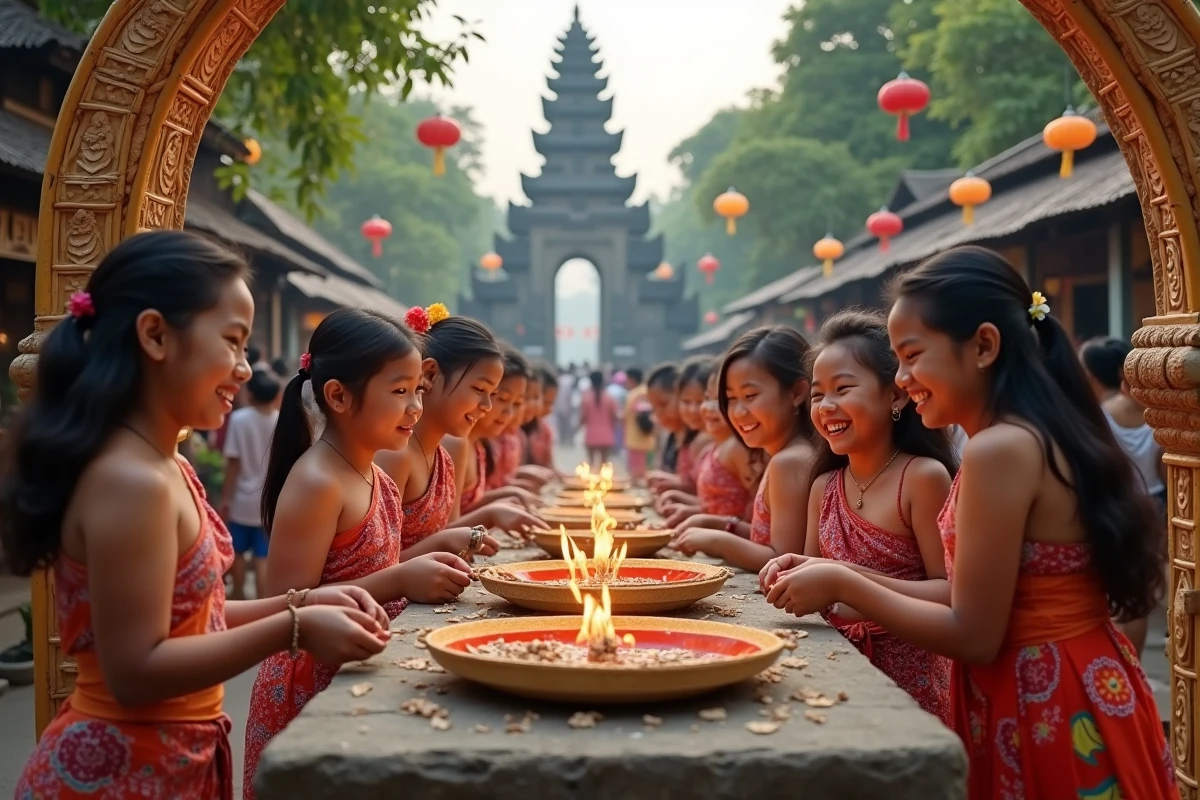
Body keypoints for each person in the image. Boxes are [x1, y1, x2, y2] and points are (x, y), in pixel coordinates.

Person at [764, 246, 1172, 798]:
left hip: (1044, 697)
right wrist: (830, 570)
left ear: (983, 345)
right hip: (1070, 682)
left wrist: (841, 581)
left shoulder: (997, 451)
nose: (903, 378)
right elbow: (965, 597)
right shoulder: (1023, 436)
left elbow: (974, 634)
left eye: (911, 356)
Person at [6, 231, 389, 798]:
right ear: (156, 335)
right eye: (232, 343)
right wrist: (294, 627)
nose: (243, 368)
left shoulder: (166, 466)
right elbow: (135, 671)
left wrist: (300, 600)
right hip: (117, 772)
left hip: (171, 760)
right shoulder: (130, 480)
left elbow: (195, 617)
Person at [243, 308, 475, 798]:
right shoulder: (316, 482)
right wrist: (398, 580)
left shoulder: (377, 476)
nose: (415, 406)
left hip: (357, 668)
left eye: (418, 390)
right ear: (339, 396)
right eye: (399, 391)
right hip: (306, 688)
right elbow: (288, 603)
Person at [762, 309, 957, 723]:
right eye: (817, 395)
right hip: (834, 674)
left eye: (843, 389)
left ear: (896, 395)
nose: (827, 406)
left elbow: (950, 593)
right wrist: (794, 571)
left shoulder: (921, 478)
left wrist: (842, 581)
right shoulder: (824, 487)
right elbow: (820, 587)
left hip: (912, 684)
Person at [377, 309, 543, 547]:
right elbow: (384, 561)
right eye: (479, 390)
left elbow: (447, 532)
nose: (487, 406)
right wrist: (489, 514)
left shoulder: (443, 457)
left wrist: (493, 512)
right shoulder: (397, 455)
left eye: (491, 394)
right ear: (430, 374)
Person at [671, 327, 816, 572]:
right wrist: (717, 524)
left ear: (797, 392)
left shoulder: (791, 460)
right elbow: (766, 536)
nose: (738, 412)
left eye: (750, 395)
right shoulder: (780, 456)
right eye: (730, 399)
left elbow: (783, 558)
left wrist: (718, 541)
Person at [1080, 336, 1165, 658]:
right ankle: (1136, 665)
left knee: (1112, 593)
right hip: (1153, 503)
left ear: (1090, 374)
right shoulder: (1154, 413)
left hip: (1115, 504)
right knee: (1139, 593)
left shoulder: (1099, 417)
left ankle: (1118, 663)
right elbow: (1160, 467)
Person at [663, 362, 756, 530]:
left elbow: (755, 521)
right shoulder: (711, 449)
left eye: (721, 400)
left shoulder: (738, 449)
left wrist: (704, 524)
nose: (710, 407)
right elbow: (712, 504)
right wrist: (688, 509)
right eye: (707, 398)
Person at [219, 368, 281, 600]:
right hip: (267, 501)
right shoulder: (280, 420)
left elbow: (233, 464)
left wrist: (226, 498)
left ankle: (236, 596)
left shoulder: (239, 419)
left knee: (237, 552)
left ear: (251, 394)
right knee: (263, 557)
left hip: (242, 501)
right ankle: (262, 603)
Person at [654, 357, 715, 512]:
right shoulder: (694, 439)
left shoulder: (707, 441)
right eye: (686, 402)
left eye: (702, 400)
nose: (693, 410)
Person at [579, 369, 619, 467]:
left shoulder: (586, 398)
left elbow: (583, 418)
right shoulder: (610, 398)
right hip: (606, 435)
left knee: (591, 464)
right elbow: (615, 417)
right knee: (604, 464)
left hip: (591, 435)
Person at [623, 367, 656, 479]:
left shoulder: (635, 395)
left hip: (636, 440)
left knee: (638, 474)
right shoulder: (648, 391)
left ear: (632, 379)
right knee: (647, 471)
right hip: (648, 440)